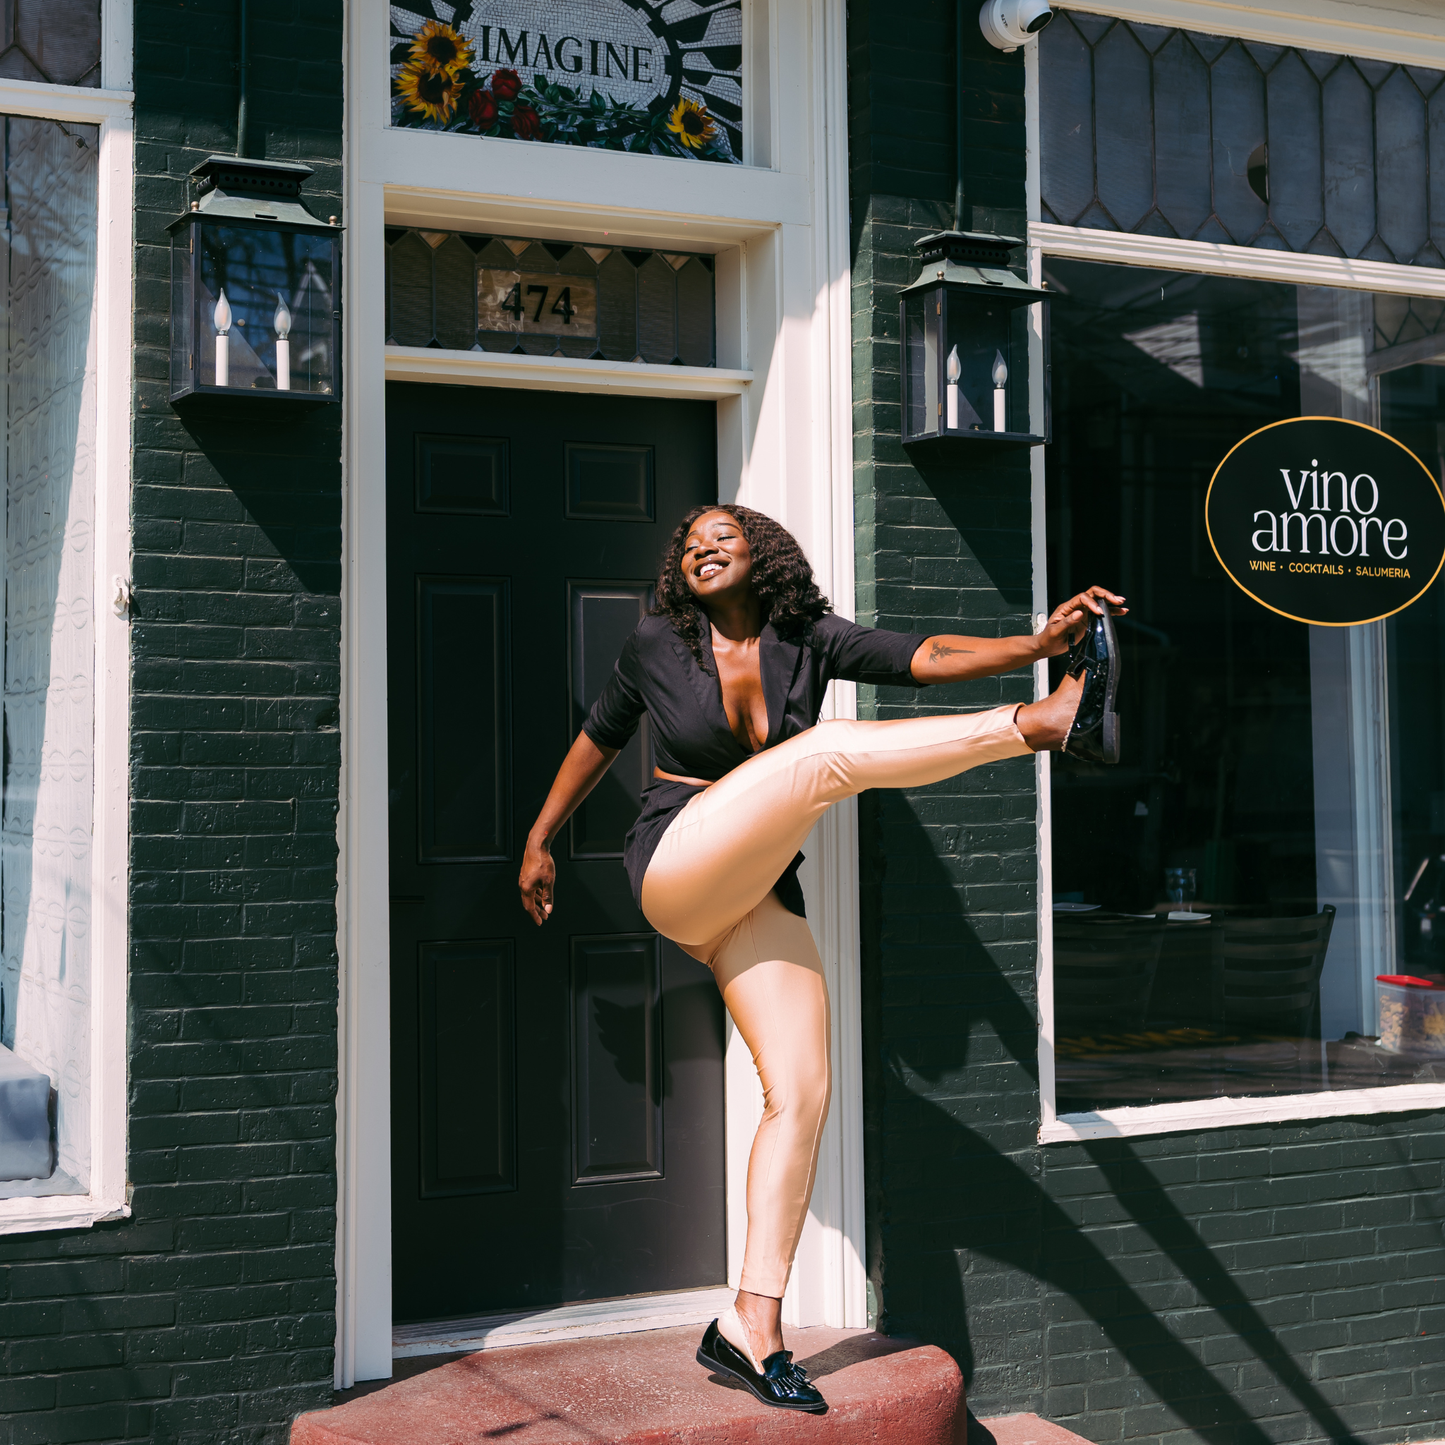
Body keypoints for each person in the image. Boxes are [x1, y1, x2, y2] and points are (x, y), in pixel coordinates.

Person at [519, 504, 1125, 1414]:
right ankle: (1039, 727)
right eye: (689, 545)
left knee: (801, 1092)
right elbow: (597, 739)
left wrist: (1037, 642)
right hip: (678, 859)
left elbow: (922, 655)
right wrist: (538, 839)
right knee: (831, 749)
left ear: (763, 553)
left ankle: (747, 1328)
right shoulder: (654, 644)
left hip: (752, 899)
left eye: (721, 535)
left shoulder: (806, 638)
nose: (702, 548)